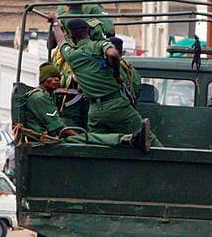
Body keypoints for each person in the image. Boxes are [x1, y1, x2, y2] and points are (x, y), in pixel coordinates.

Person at [54, 18, 161, 146]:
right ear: (88, 31)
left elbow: (60, 41)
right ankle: (174, 164)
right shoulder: (99, 45)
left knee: (96, 144)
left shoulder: (71, 55)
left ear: (72, 34)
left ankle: (121, 140)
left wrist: (55, 23)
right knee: (148, 138)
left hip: (95, 112)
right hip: (116, 105)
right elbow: (113, 54)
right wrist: (116, 74)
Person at [19, 62, 151, 152]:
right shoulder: (40, 97)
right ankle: (126, 139)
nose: (56, 80)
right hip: (46, 140)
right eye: (51, 78)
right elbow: (59, 128)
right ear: (43, 80)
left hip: (49, 137)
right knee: (87, 138)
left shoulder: (44, 95)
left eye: (57, 77)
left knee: (88, 136)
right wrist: (79, 136)